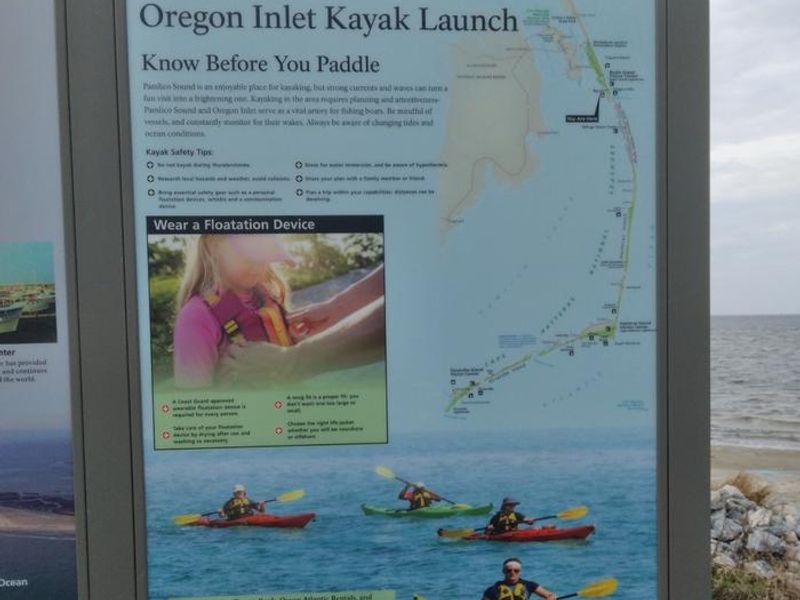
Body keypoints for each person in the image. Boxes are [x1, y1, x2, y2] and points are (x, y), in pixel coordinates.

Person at [172, 234, 385, 388]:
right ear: (213, 245)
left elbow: (284, 358)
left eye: (266, 256)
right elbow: (194, 400)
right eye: (250, 255)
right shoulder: (196, 317)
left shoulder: (266, 298)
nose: (259, 265)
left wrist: (291, 344)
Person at [481, 558, 556, 600]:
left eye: (516, 571)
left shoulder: (529, 585)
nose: (512, 573)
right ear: (503, 571)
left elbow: (551, 595)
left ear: (520, 572)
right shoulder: (492, 590)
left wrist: (550, 598)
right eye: (509, 570)